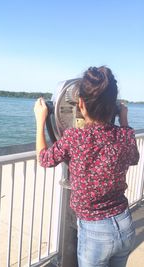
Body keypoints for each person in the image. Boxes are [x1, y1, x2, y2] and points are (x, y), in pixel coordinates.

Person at [34, 66, 140, 267]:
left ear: (80, 103)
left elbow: (44, 159)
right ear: (114, 106)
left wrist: (40, 121)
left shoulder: (75, 138)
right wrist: (123, 118)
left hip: (95, 233)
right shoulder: (125, 135)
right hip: (124, 223)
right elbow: (133, 158)